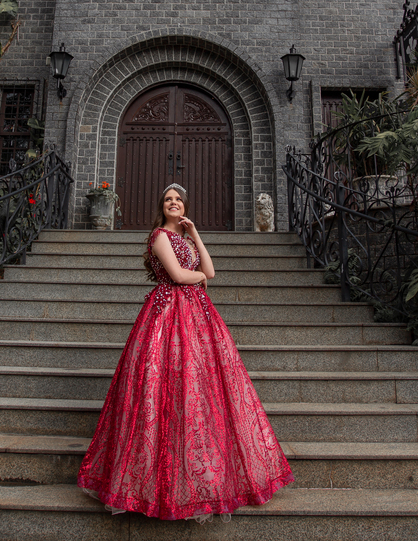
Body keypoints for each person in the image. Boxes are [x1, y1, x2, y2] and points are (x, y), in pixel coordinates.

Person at [77, 183, 293, 522]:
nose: (173, 203)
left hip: (197, 315)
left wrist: (196, 236)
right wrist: (196, 279)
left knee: (201, 388)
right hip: (167, 316)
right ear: (161, 207)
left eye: (178, 199)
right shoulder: (159, 237)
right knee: (164, 386)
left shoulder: (187, 237)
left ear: (185, 205)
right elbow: (178, 276)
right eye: (167, 200)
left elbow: (209, 272)